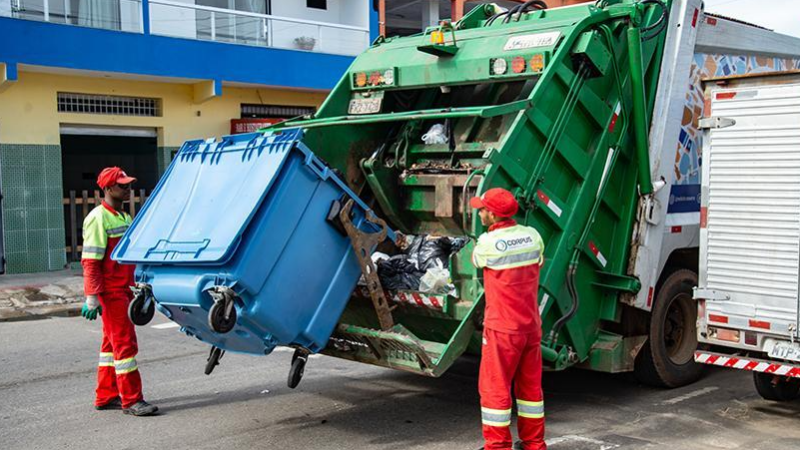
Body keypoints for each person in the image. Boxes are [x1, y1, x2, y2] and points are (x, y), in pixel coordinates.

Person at [470, 188, 546, 450]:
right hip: (530, 326)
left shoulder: (487, 244)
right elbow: (540, 261)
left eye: (482, 209)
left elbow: (475, 261)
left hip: (502, 328)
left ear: (492, 215)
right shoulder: (533, 236)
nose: (479, 212)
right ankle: (534, 444)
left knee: (494, 388)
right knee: (530, 389)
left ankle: (497, 446)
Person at [81, 167, 158, 417]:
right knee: (125, 346)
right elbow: (91, 261)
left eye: (128, 185)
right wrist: (92, 297)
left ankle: (106, 395)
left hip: (124, 290)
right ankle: (132, 400)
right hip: (111, 293)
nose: (127, 190)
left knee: (110, 347)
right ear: (107, 188)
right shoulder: (97, 218)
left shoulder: (123, 217)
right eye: (122, 185)